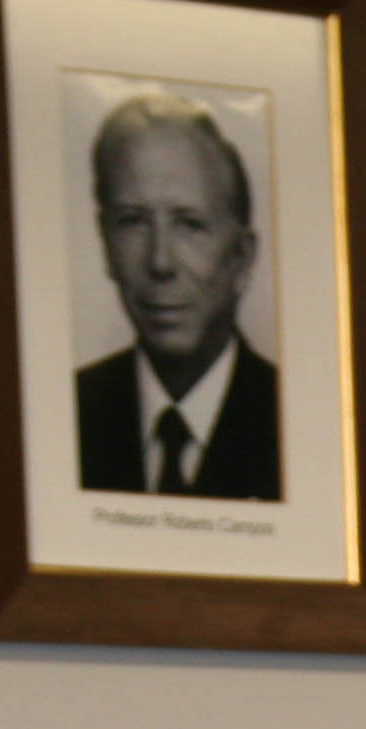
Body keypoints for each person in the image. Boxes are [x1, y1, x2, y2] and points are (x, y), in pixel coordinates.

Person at [74, 93, 282, 500]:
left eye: (189, 224)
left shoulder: (297, 420)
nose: (160, 262)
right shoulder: (67, 412)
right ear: (105, 245)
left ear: (242, 257)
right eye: (133, 222)